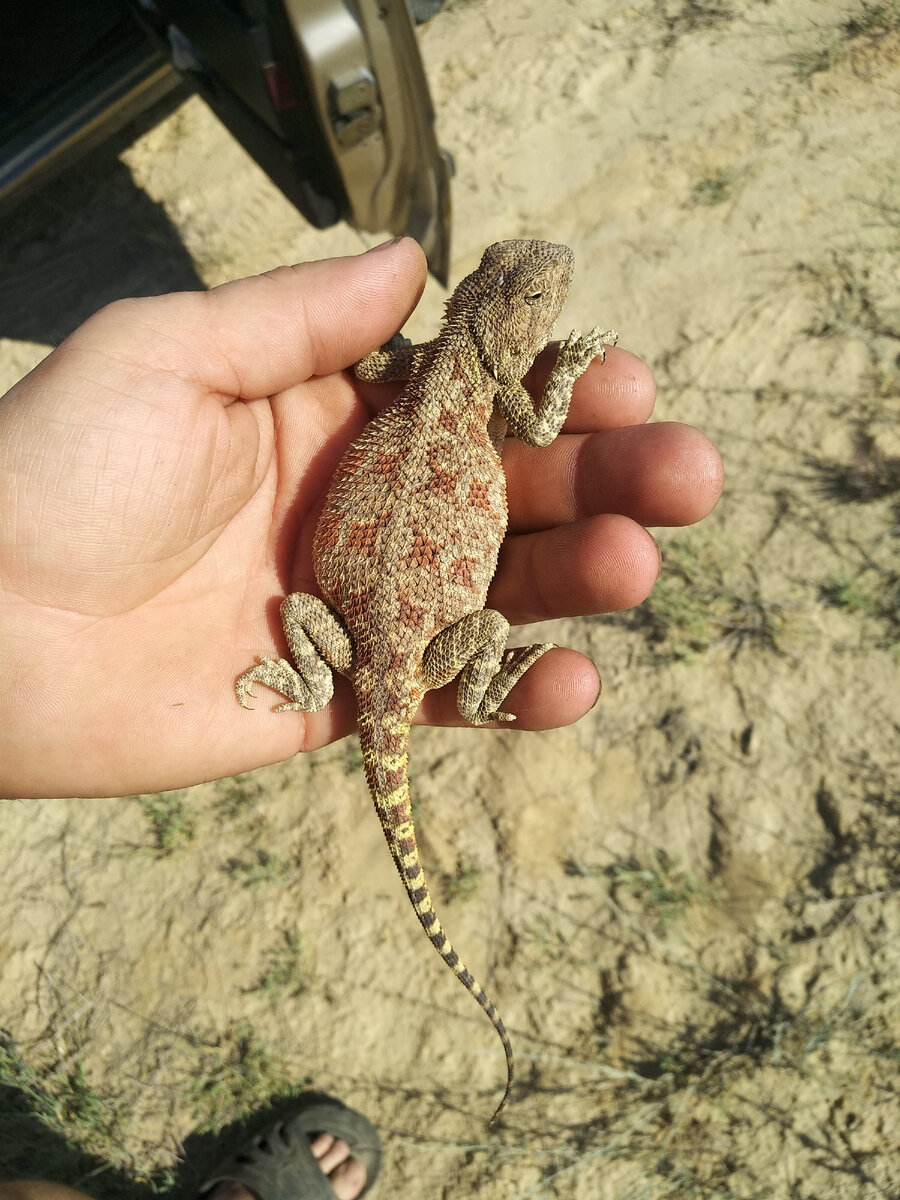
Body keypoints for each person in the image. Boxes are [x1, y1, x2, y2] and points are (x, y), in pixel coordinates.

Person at [0, 237, 723, 1195]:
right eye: (535, 288)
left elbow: (363, 358)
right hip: (405, 635)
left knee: (498, 616)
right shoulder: (499, 398)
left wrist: (317, 676)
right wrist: (573, 367)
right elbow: (544, 421)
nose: (546, 287)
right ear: (502, 320)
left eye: (539, 288)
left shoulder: (414, 364)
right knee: (502, 620)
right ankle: (465, 681)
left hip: (339, 623)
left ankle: (334, 681)